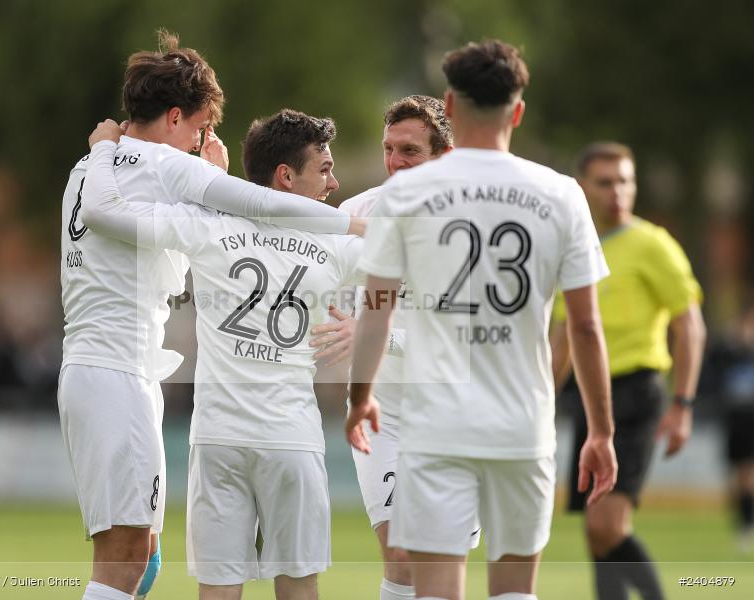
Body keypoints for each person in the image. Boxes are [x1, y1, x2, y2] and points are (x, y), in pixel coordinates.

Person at [58, 32, 361, 600]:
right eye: (198, 128)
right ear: (175, 117)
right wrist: (350, 224)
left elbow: (143, 213)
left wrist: (110, 152)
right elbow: (261, 202)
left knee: (143, 553)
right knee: (124, 557)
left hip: (104, 365)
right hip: (116, 369)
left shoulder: (90, 166)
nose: (200, 142)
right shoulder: (160, 165)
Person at [346, 40, 618, 600]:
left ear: (451, 104)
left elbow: (375, 309)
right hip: (523, 424)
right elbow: (586, 327)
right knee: (515, 588)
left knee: (435, 587)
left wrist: (359, 396)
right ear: (517, 112)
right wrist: (601, 431)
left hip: (436, 427)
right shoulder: (562, 194)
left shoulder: (406, 195)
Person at [311, 95, 477, 600]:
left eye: (410, 151)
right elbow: (326, 299)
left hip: (456, 411)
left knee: (440, 562)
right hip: (382, 413)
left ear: (445, 156)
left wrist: (374, 334)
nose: (395, 161)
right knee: (401, 555)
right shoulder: (357, 213)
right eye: (389, 148)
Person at [549, 141, 707, 600]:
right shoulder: (572, 248)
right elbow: (564, 338)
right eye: (605, 182)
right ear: (582, 187)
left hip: (637, 392)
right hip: (589, 395)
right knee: (596, 534)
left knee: (607, 525)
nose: (617, 191)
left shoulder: (652, 244)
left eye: (625, 181)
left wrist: (683, 404)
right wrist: (540, 401)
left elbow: (689, 326)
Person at [704, 305, 754, 555]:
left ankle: (746, 524)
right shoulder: (728, 349)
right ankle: (744, 525)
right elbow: (713, 370)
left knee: (747, 476)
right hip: (737, 420)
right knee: (739, 476)